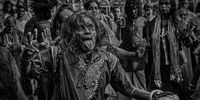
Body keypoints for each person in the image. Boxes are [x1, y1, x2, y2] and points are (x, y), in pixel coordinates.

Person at [21, 11, 176, 100]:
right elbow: (28, 73)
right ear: (71, 33)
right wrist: (27, 56)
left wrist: (153, 96)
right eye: (80, 28)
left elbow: (127, 88)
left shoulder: (108, 59)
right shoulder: (57, 55)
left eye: (90, 27)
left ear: (97, 31)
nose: (87, 31)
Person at [145, 0, 190, 99]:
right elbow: (148, 48)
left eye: (166, 4)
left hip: (175, 69)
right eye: (161, 4)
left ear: (171, 5)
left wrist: (186, 35)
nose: (163, 6)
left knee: (180, 95)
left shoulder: (177, 22)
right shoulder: (152, 24)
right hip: (159, 70)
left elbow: (188, 43)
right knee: (161, 96)